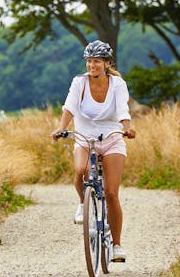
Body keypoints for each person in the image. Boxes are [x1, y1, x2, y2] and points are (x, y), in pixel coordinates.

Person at [51, 40, 137, 262]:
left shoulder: (118, 84)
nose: (92, 65)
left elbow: (123, 109)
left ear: (107, 63)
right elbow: (69, 107)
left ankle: (116, 245)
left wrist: (127, 128)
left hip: (111, 138)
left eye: (97, 61)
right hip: (85, 138)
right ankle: (84, 202)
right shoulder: (79, 82)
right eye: (89, 61)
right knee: (80, 170)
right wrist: (61, 128)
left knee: (111, 192)